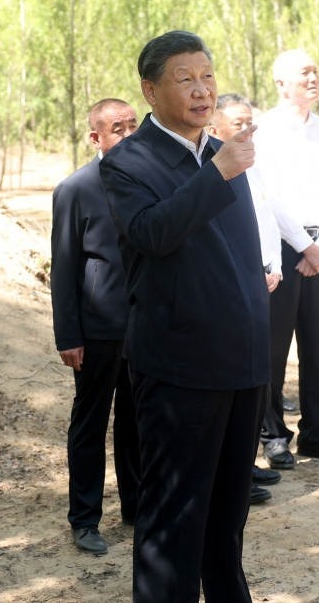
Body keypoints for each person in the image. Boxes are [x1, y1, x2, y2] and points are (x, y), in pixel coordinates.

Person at [99, 31, 269, 602]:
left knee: (227, 517)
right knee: (174, 520)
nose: (202, 90)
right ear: (151, 91)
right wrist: (217, 173)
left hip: (242, 363)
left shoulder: (222, 154)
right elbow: (152, 233)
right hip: (179, 371)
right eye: (185, 79)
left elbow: (241, 256)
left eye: (207, 76)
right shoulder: (128, 161)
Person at [50, 98, 142, 556]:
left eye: (132, 125)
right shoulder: (76, 188)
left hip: (142, 325)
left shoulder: (147, 180)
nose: (127, 134)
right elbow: (64, 266)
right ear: (96, 137)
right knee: (90, 424)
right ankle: (84, 519)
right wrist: (68, 336)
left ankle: (136, 507)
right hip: (97, 330)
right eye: (117, 128)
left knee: (136, 422)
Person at [254, 49, 319, 468]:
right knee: (274, 347)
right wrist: (303, 245)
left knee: (318, 344)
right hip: (280, 248)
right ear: (281, 83)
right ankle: (273, 435)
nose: (314, 78)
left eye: (316, 71)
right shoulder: (265, 129)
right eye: (304, 73)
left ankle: (316, 432)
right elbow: (267, 194)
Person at [208, 93, 282, 505]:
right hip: (232, 291)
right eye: (238, 123)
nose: (248, 129)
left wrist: (274, 265)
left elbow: (267, 220)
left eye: (251, 122)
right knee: (232, 382)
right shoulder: (211, 172)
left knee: (257, 376)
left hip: (263, 281)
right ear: (214, 128)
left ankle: (247, 463)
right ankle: (232, 476)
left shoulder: (255, 165)